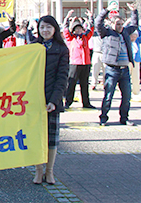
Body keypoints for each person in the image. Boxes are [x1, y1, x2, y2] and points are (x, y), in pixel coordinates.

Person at [32, 15, 69, 185]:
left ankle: (50, 171)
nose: (45, 30)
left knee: (51, 138)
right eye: (42, 27)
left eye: (48, 27)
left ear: (55, 29)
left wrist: (54, 100)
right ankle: (38, 171)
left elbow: (62, 78)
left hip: (52, 100)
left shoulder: (62, 49)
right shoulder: (32, 47)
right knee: (36, 137)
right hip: (33, 100)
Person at [95, 3, 138, 126]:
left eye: (121, 24)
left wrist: (134, 11)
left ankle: (124, 118)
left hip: (125, 70)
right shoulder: (107, 33)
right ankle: (103, 117)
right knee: (108, 95)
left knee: (126, 97)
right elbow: (98, 23)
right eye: (117, 24)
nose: (120, 26)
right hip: (112, 69)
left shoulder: (125, 32)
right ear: (112, 24)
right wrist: (106, 10)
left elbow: (134, 25)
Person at [62, 10, 95, 109]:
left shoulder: (85, 37)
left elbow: (91, 29)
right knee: (71, 84)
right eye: (76, 29)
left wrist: (91, 18)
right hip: (75, 63)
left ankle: (86, 102)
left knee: (84, 84)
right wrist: (67, 18)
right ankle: (68, 102)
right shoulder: (71, 38)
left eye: (80, 29)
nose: (79, 31)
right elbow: (65, 30)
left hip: (86, 63)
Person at [129, 25, 141, 100]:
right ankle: (127, 92)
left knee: (136, 78)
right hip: (128, 61)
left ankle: (136, 92)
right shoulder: (127, 41)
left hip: (136, 60)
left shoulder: (137, 41)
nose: (134, 37)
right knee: (126, 78)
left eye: (135, 36)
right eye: (132, 36)